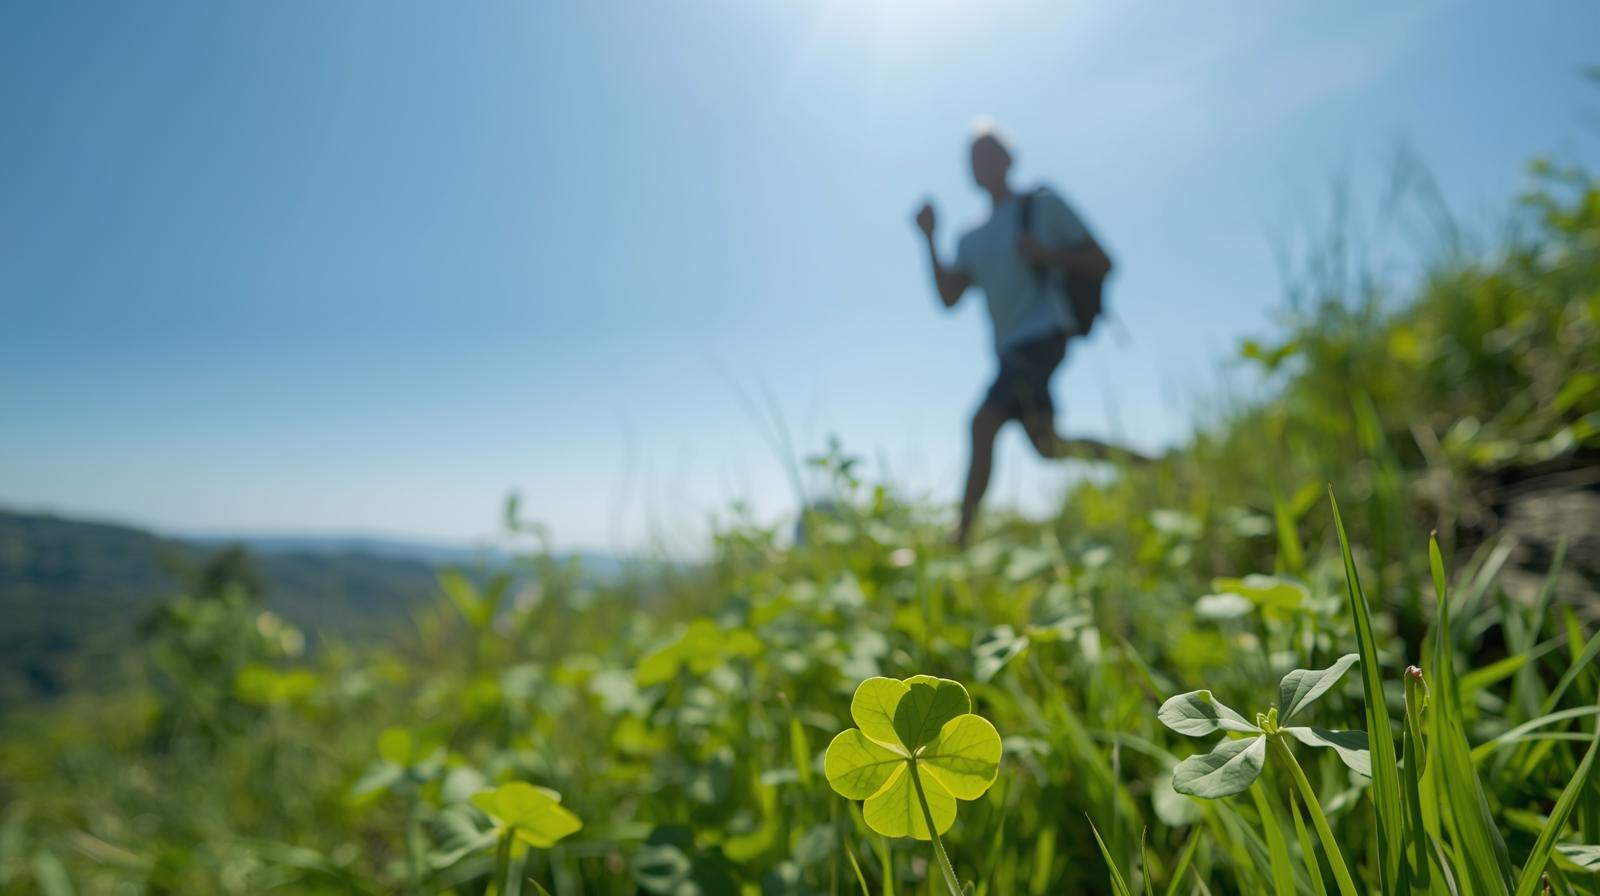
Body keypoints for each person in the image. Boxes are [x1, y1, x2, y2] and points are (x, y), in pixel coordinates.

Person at [915, 123, 1145, 546]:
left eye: (989, 152)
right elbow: (950, 297)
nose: (980, 162)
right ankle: (1148, 464)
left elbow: (1103, 262)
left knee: (983, 424)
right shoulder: (970, 237)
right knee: (1048, 447)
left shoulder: (1042, 205)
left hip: (1044, 334)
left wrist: (1046, 254)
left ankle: (960, 538)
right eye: (973, 157)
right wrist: (929, 239)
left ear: (1009, 158)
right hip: (1007, 350)